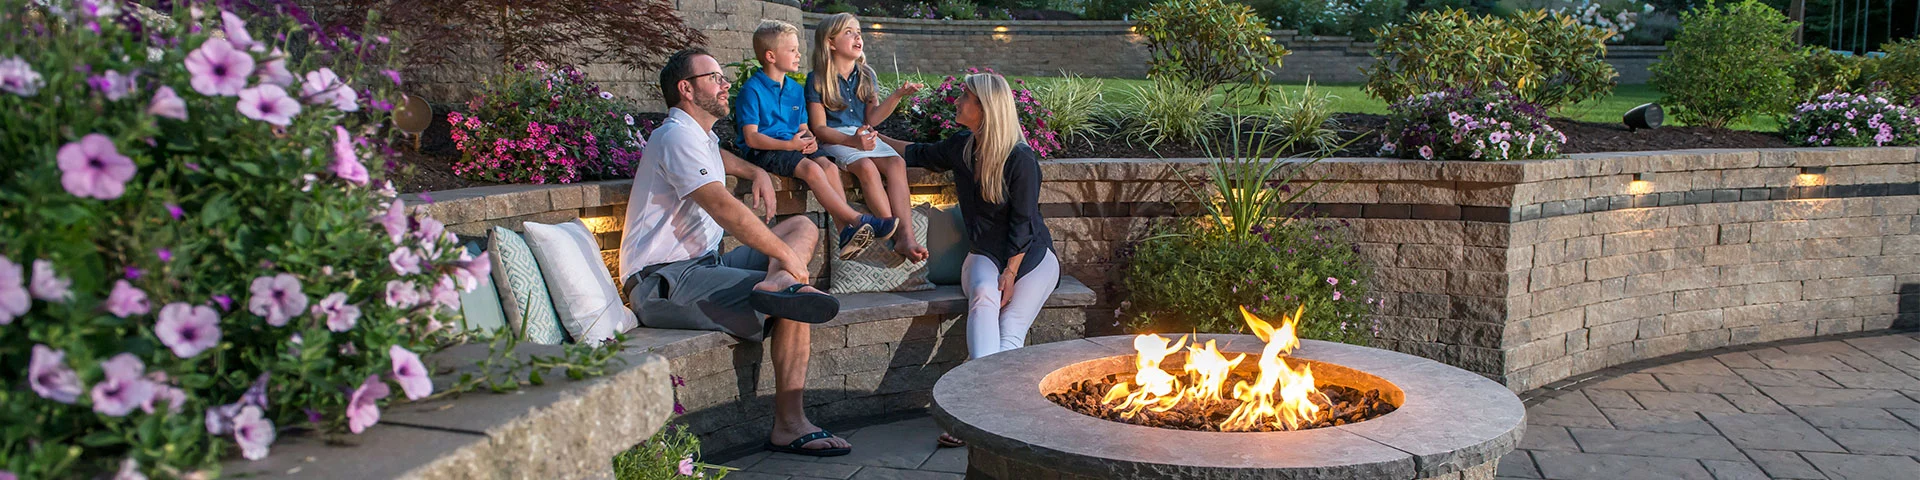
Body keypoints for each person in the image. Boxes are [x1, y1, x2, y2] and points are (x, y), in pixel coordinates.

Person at [620, 48, 852, 457]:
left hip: (702, 266)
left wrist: (755, 170)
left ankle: (780, 281)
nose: (725, 83)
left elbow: (716, 156)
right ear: (686, 89)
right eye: (714, 77)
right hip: (663, 281)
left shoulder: (698, 135)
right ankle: (789, 424)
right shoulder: (674, 135)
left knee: (801, 225)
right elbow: (723, 208)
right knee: (795, 299)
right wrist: (791, 260)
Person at [879, 72, 1059, 449]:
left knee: (1010, 328)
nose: (958, 101)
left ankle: (976, 414)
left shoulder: (1021, 159)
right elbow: (915, 152)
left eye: (965, 97)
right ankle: (987, 413)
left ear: (984, 108)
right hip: (984, 255)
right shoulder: (963, 146)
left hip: (1033, 258)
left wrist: (1011, 272)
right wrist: (872, 138)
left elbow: (1023, 224)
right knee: (982, 298)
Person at [733, 20, 890, 260]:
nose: (799, 55)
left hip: (794, 146)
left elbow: (804, 127)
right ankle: (853, 219)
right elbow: (752, 138)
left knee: (828, 166)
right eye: (792, 50)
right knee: (812, 170)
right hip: (766, 149)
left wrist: (811, 141)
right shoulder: (752, 90)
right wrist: (790, 145)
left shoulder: (795, 89)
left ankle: (843, 231)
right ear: (771, 56)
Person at [806, 12, 929, 261]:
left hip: (863, 134)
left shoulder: (866, 75)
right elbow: (819, 128)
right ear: (830, 42)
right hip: (837, 138)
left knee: (896, 163)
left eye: (859, 32)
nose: (857, 37)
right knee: (866, 167)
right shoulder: (817, 79)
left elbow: (872, 119)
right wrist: (852, 141)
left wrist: (896, 96)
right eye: (848, 32)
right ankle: (891, 231)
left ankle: (906, 235)